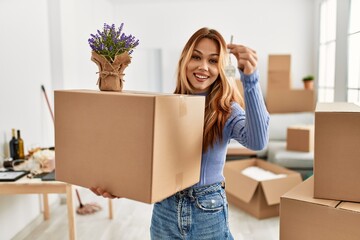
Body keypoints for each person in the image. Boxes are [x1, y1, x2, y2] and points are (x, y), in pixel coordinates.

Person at [91, 27, 269, 239]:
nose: (203, 67)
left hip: (207, 209)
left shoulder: (226, 110)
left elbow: (258, 142)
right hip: (164, 206)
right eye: (196, 57)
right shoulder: (166, 106)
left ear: (221, 67)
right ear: (185, 59)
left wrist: (250, 79)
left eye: (213, 61)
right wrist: (120, 185)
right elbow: (146, 159)